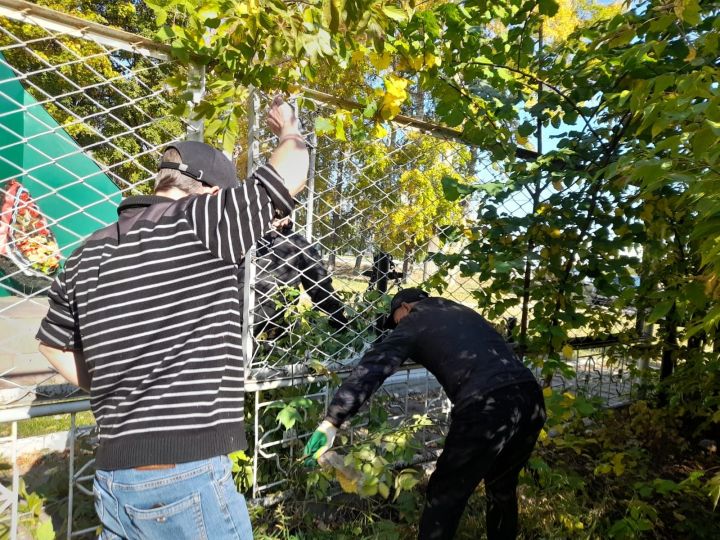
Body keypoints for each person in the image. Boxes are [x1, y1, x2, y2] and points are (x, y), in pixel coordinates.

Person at [35, 96, 308, 539]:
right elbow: (292, 171)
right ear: (215, 193)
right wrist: (289, 128)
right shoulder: (203, 221)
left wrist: (111, 380)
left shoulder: (87, 252)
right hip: (186, 475)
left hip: (113, 476)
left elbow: (51, 343)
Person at [304, 288, 546, 540]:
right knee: (502, 486)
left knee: (445, 495)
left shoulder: (415, 320)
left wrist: (332, 420)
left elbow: (374, 367)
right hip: (530, 398)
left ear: (406, 307)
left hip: (487, 406)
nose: (396, 326)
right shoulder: (460, 311)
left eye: (395, 319)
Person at [238, 220, 347, 340]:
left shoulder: (295, 243)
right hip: (238, 321)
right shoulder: (235, 234)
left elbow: (320, 284)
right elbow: (320, 284)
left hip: (269, 329)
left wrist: (338, 318)